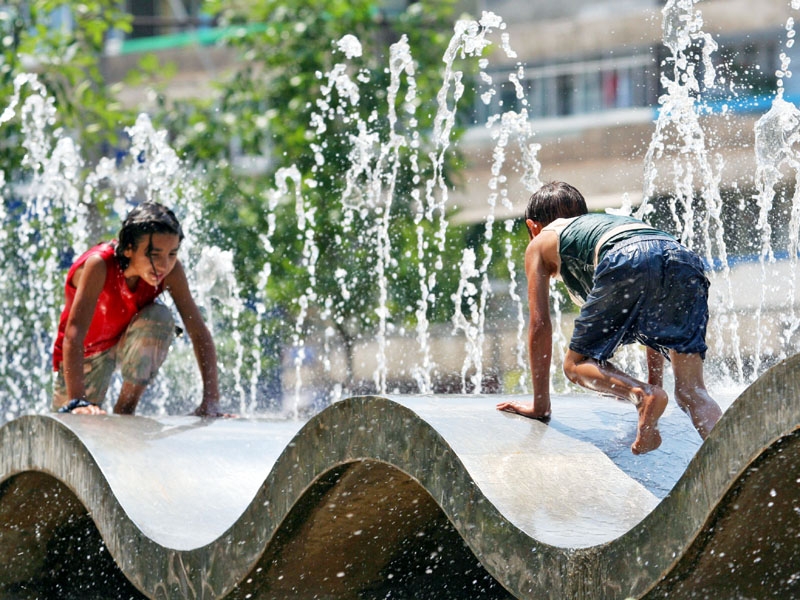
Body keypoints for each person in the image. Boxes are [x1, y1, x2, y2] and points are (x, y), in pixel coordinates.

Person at [496, 181, 722, 454]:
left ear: (533, 227)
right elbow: (653, 320)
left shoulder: (542, 241)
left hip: (626, 258)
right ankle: (737, 463)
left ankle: (640, 395)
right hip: (683, 260)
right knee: (692, 393)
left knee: (575, 365)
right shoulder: (605, 226)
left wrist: (540, 406)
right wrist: (655, 382)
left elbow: (540, 324)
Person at [52, 202, 226, 417]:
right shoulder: (99, 265)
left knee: (159, 317)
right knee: (74, 424)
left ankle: (126, 408)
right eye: (154, 255)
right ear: (128, 249)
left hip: (126, 341)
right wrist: (77, 401)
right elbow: (73, 335)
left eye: (172, 254)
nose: (163, 265)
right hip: (86, 353)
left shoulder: (171, 271)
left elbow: (198, 332)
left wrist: (211, 401)